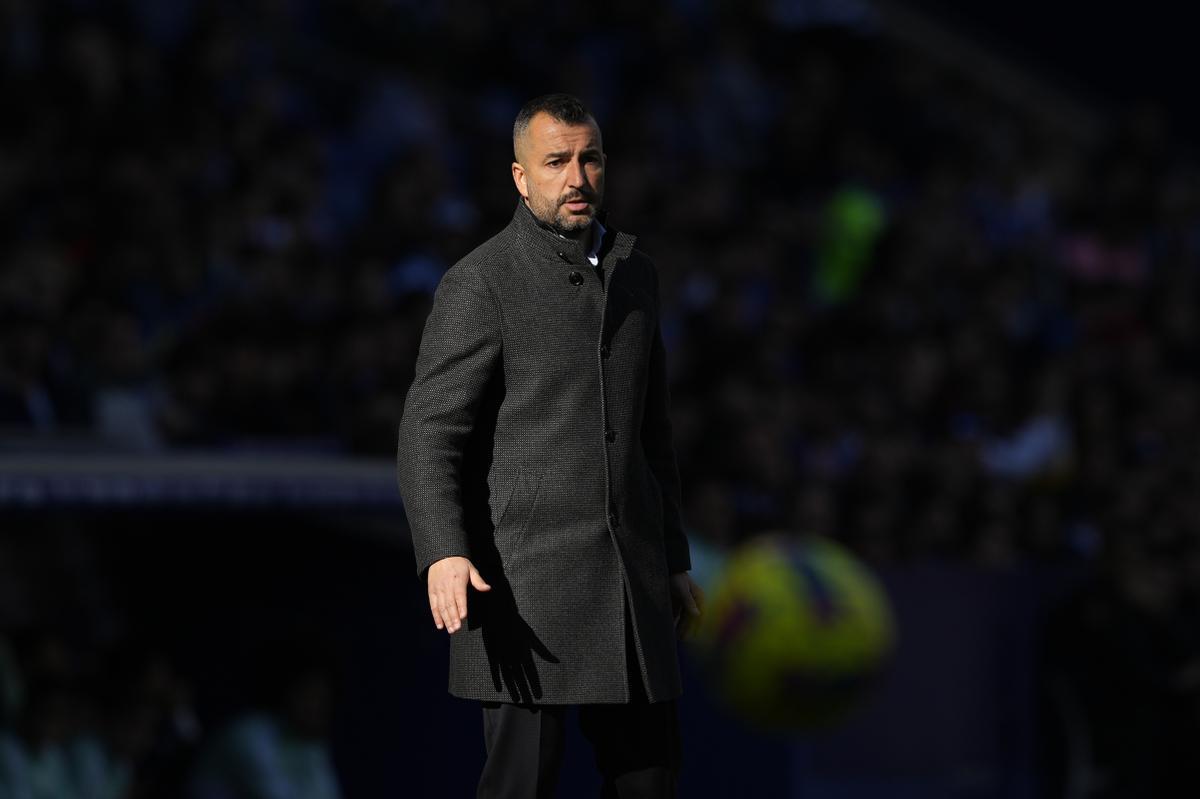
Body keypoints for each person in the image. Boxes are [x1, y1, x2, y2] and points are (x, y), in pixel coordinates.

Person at [396, 92, 704, 798]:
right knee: (519, 786)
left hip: (630, 585)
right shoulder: (481, 281)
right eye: (556, 161)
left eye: (589, 158)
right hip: (524, 591)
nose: (576, 177)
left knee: (651, 782)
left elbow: (651, 432)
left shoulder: (637, 272)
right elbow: (429, 427)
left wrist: (674, 557)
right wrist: (443, 548)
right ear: (519, 176)